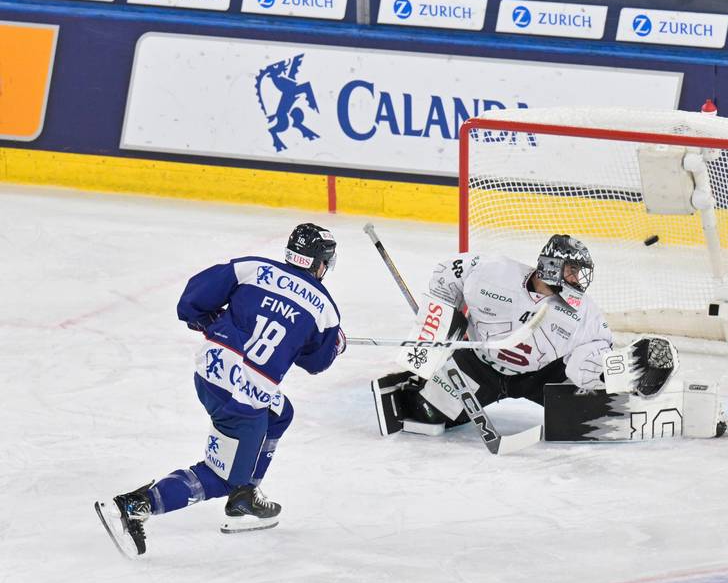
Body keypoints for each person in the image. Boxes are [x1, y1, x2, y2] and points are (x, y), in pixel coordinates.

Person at [94, 224, 345, 558]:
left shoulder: (251, 268)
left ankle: (246, 492)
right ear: (320, 264)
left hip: (211, 373)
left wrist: (214, 326)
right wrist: (337, 344)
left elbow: (190, 303)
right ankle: (135, 505)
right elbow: (315, 362)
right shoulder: (325, 309)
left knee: (280, 413)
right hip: (242, 399)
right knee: (219, 476)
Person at [371, 235, 677, 434]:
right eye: (571, 270)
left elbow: (587, 357)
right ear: (550, 266)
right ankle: (421, 382)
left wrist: (618, 371)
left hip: (540, 375)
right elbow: (449, 271)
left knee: (598, 417)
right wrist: (440, 317)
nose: (577, 279)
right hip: (478, 365)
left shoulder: (584, 311)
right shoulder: (493, 272)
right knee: (427, 417)